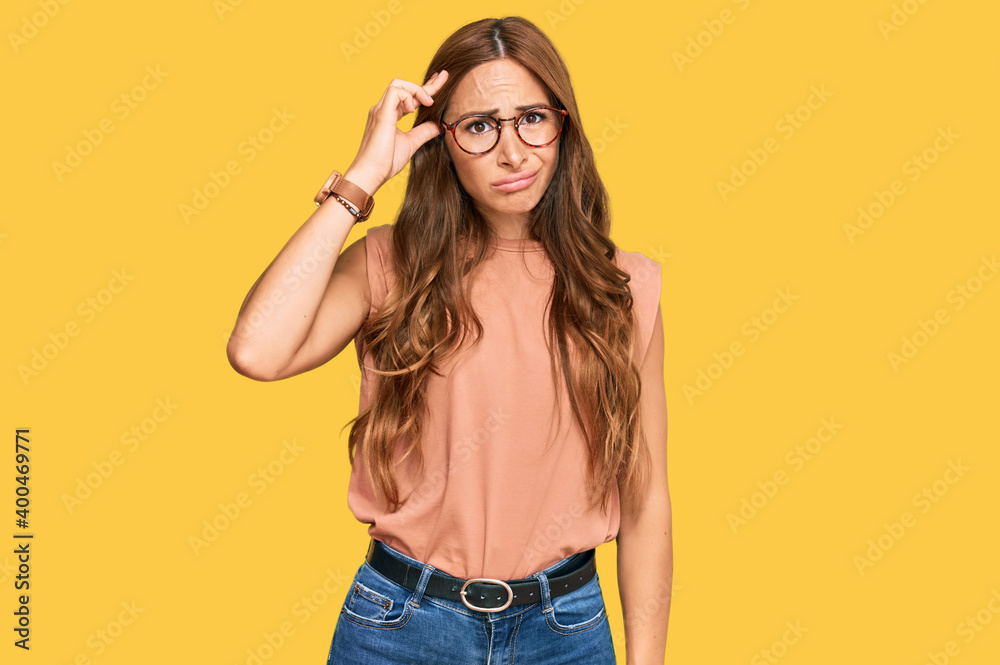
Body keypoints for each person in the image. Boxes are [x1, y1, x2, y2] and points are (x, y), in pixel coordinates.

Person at [226, 15, 671, 665]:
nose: (513, 151)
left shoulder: (623, 285)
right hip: (400, 627)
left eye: (532, 118)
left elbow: (647, 494)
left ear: (563, 125)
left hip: (565, 633)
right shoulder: (388, 264)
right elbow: (257, 351)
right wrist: (362, 179)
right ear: (443, 140)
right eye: (480, 126)